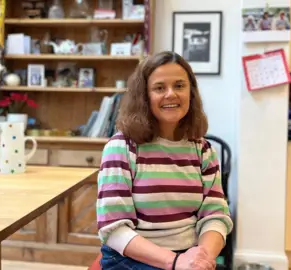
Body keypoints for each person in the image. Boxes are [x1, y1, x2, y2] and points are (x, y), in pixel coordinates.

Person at [96, 51, 233, 270]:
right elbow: (114, 228)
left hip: (187, 256)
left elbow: (215, 215)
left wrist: (202, 258)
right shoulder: (121, 147)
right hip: (130, 259)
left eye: (179, 86)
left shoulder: (203, 150)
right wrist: (176, 262)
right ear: (144, 95)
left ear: (191, 92)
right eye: (159, 88)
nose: (171, 94)